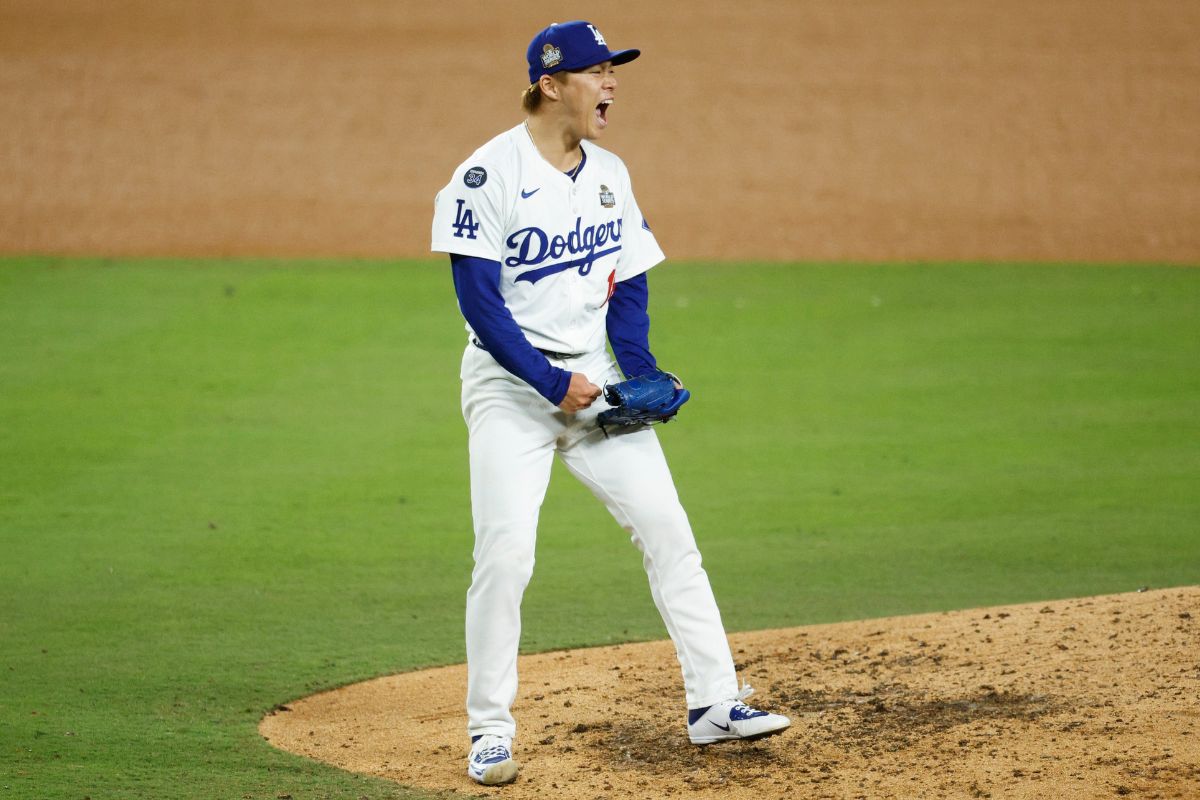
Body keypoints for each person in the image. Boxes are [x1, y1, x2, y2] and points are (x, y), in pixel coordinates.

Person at [430, 20, 790, 787]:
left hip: (592, 381)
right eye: (599, 72)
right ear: (552, 84)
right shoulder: (485, 177)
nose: (613, 85)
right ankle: (489, 732)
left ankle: (715, 704)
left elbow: (628, 279)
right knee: (505, 555)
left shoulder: (610, 174)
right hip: (510, 390)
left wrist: (642, 371)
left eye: (614, 71)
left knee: (669, 532)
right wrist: (550, 382)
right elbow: (480, 304)